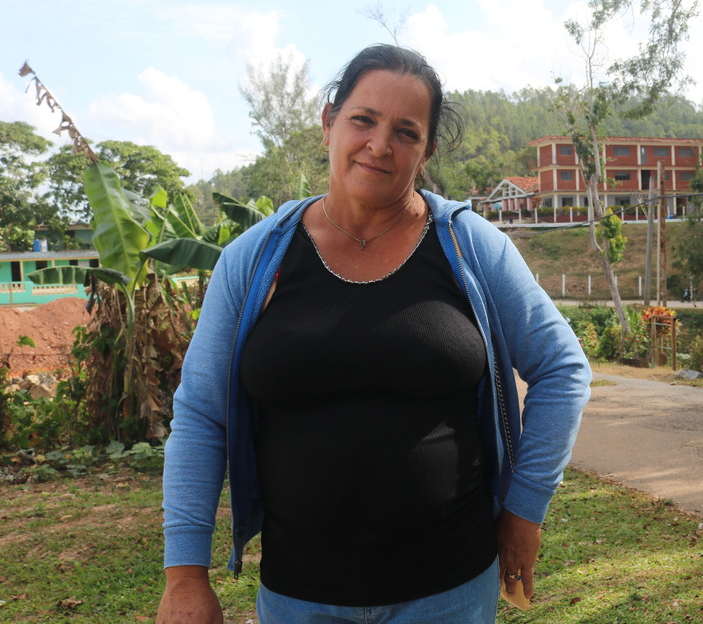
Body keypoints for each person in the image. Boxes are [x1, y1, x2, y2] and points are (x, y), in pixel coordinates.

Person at [157, 44, 591, 624]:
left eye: (406, 132)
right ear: (329, 122)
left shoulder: (469, 247)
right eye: (363, 119)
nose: (380, 145)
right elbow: (201, 414)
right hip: (298, 597)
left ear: (427, 150)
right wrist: (185, 576)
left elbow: (563, 370)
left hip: (451, 593)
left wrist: (524, 510)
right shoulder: (255, 259)